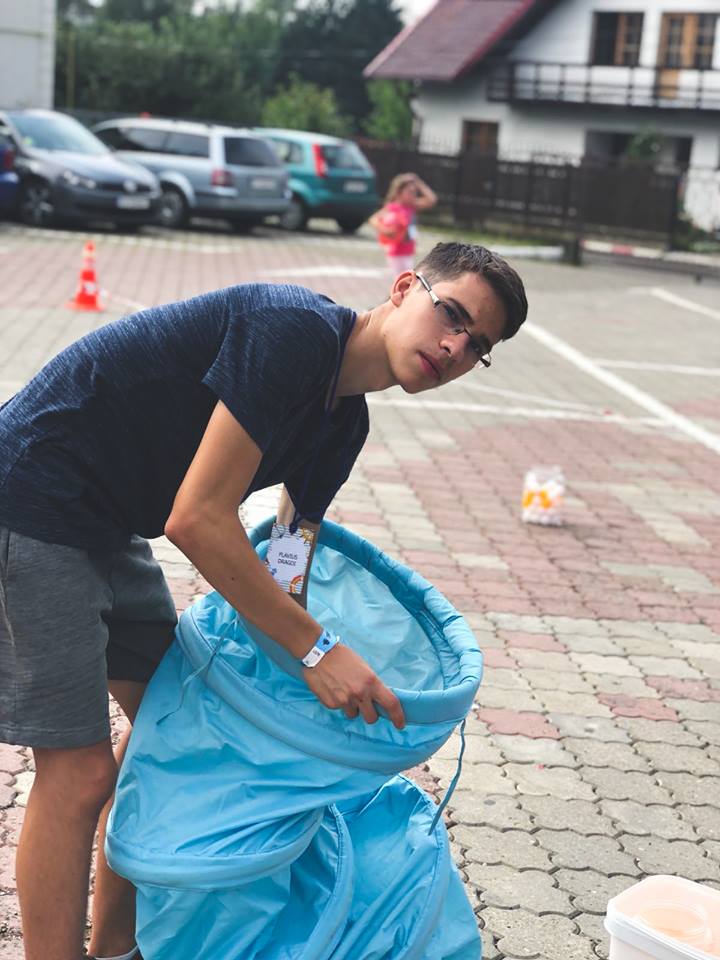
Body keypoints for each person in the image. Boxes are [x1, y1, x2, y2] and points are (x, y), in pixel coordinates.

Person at [0, 241, 528, 960]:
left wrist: (302, 681)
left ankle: (116, 949)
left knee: (169, 725)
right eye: (452, 315)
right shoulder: (292, 331)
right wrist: (317, 651)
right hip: (31, 497)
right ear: (406, 287)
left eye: (478, 346)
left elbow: (286, 565)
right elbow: (197, 519)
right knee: (80, 772)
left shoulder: (343, 426)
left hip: (106, 520)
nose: (454, 347)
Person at [369, 172, 437, 277]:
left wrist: (419, 183)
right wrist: (385, 230)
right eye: (410, 192)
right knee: (404, 281)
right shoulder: (393, 207)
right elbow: (373, 219)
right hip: (397, 252)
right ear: (399, 192)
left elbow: (432, 200)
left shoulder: (411, 206)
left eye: (414, 192)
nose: (413, 195)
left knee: (406, 280)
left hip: (408, 251)